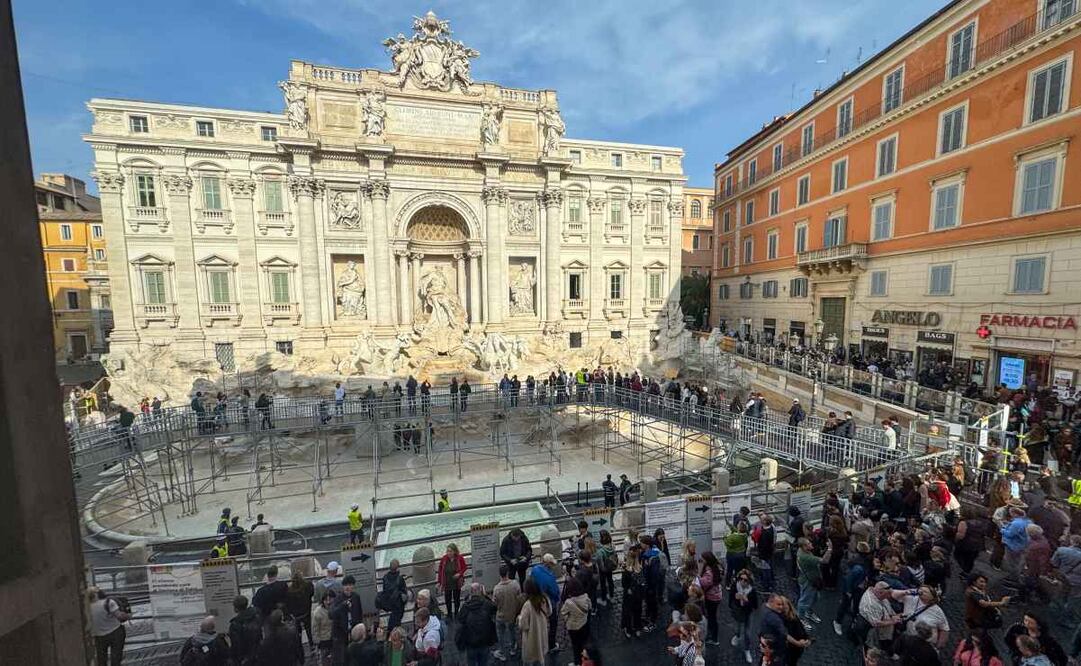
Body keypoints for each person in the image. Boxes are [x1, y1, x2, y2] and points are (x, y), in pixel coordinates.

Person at [457, 582, 498, 666]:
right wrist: (485, 595)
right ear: (480, 591)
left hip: (471, 643)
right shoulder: (486, 603)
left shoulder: (466, 606)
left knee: (471, 662)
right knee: (483, 662)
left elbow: (460, 619)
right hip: (484, 641)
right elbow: (494, 608)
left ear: (471, 592)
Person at [89, 586, 129, 666]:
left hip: (98, 636)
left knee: (101, 660)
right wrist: (128, 615)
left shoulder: (87, 607)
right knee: (116, 658)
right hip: (115, 632)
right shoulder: (108, 602)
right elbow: (120, 617)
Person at [900, 586, 949, 650]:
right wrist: (907, 591)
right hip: (909, 641)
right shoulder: (910, 599)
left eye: (925, 591)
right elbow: (892, 593)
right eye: (920, 590)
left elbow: (944, 629)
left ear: (931, 596)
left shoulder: (937, 611)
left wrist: (937, 647)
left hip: (927, 645)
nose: (921, 592)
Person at [796, 536, 830, 626]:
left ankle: (808, 612)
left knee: (813, 598)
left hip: (811, 580)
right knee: (803, 601)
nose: (811, 544)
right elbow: (824, 561)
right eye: (808, 544)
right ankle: (801, 618)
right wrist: (830, 549)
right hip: (808, 582)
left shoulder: (803, 551)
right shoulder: (805, 557)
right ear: (803, 547)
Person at [859, 581, 903, 650]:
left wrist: (894, 615)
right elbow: (876, 623)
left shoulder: (878, 594)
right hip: (871, 629)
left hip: (883, 624)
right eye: (888, 594)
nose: (889, 596)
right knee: (873, 647)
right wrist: (892, 621)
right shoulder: (871, 603)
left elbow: (887, 606)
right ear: (880, 593)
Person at [330, 575, 363, 666]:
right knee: (341, 659)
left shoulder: (356, 597)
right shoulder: (338, 599)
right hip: (340, 633)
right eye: (345, 585)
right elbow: (331, 614)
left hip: (353, 631)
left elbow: (359, 613)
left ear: (353, 586)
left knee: (353, 657)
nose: (348, 587)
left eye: (350, 585)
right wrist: (342, 606)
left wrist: (360, 629)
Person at [728, 567, 759, 663]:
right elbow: (731, 598)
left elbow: (755, 605)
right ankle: (737, 636)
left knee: (747, 634)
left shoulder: (752, 591)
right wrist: (735, 600)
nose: (742, 581)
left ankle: (747, 650)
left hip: (748, 613)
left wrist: (747, 601)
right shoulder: (735, 586)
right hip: (737, 612)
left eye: (745, 580)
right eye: (741, 579)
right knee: (737, 628)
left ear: (749, 581)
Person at [492, 564, 522, 661]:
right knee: (512, 631)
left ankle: (502, 652)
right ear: (508, 573)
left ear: (500, 575)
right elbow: (519, 598)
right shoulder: (515, 584)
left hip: (501, 615)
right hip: (512, 614)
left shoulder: (497, 588)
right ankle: (513, 648)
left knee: (500, 634)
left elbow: (495, 603)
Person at [518, 578, 551, 666]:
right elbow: (549, 612)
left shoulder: (527, 605)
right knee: (541, 655)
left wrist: (519, 618)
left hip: (531, 636)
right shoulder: (545, 599)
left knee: (531, 658)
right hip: (542, 632)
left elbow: (523, 625)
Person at [560, 578, 592, 666]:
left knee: (576, 646)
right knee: (584, 643)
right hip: (584, 624)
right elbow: (589, 607)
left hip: (573, 627)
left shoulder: (568, 602)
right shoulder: (585, 596)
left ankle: (578, 662)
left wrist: (567, 619)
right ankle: (585, 660)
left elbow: (563, 612)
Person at [229, 595, 263, 666]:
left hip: (245, 658)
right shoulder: (257, 615)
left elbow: (237, 645)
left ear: (236, 608)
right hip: (258, 654)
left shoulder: (235, 624)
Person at [621, 544, 646, 638]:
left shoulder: (627, 570)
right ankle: (637, 627)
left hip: (630, 594)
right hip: (637, 593)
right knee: (637, 611)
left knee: (628, 612)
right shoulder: (639, 568)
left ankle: (628, 629)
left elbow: (624, 584)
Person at [698, 551, 723, 644]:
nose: (701, 560)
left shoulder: (709, 571)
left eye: (702, 559)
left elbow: (705, 582)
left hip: (712, 597)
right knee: (712, 616)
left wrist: (698, 577)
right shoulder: (716, 567)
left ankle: (714, 638)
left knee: (712, 617)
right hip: (717, 594)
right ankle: (712, 634)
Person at [286, 570, 314, 649]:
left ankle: (299, 647)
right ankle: (311, 644)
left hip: (296, 615)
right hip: (306, 612)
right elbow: (311, 594)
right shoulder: (308, 585)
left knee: (298, 631)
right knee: (308, 629)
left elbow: (288, 604)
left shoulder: (289, 591)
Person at [438, 542, 467, 618]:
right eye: (447, 551)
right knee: (447, 599)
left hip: (456, 582)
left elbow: (464, 567)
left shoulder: (459, 558)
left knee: (456, 598)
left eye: (450, 551)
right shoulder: (444, 559)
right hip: (447, 582)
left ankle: (457, 612)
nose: (449, 553)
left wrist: (459, 574)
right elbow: (440, 570)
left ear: (454, 551)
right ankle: (449, 613)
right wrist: (440, 582)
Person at [379, 558, 409, 631]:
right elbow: (404, 592)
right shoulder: (400, 578)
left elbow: (384, 591)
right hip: (398, 604)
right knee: (396, 620)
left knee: (393, 619)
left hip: (389, 603)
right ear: (398, 567)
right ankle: (394, 633)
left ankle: (392, 631)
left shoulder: (385, 577)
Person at [312, 591, 335, 665]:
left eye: (330, 599)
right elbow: (315, 628)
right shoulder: (318, 612)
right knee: (324, 659)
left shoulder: (336, 608)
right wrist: (317, 641)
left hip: (335, 637)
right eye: (326, 600)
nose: (328, 602)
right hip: (323, 639)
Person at [596, 529, 618, 605]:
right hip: (610, 568)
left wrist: (602, 569)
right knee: (610, 581)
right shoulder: (612, 546)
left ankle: (604, 599)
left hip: (603, 570)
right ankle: (611, 596)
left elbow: (600, 564)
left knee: (603, 584)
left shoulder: (600, 551)